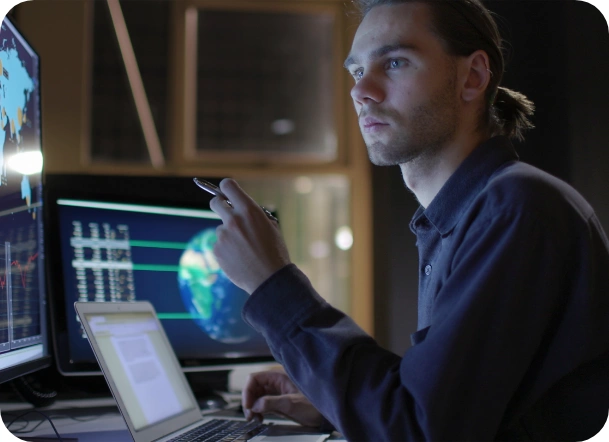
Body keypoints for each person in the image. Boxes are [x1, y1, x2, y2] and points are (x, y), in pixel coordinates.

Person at [209, 0, 609, 440]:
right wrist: (335, 403)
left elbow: (420, 430)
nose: (362, 91)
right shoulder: (468, 214)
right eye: (357, 71)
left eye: (395, 62)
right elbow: (448, 410)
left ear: (472, 77)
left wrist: (272, 284)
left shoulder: (514, 210)